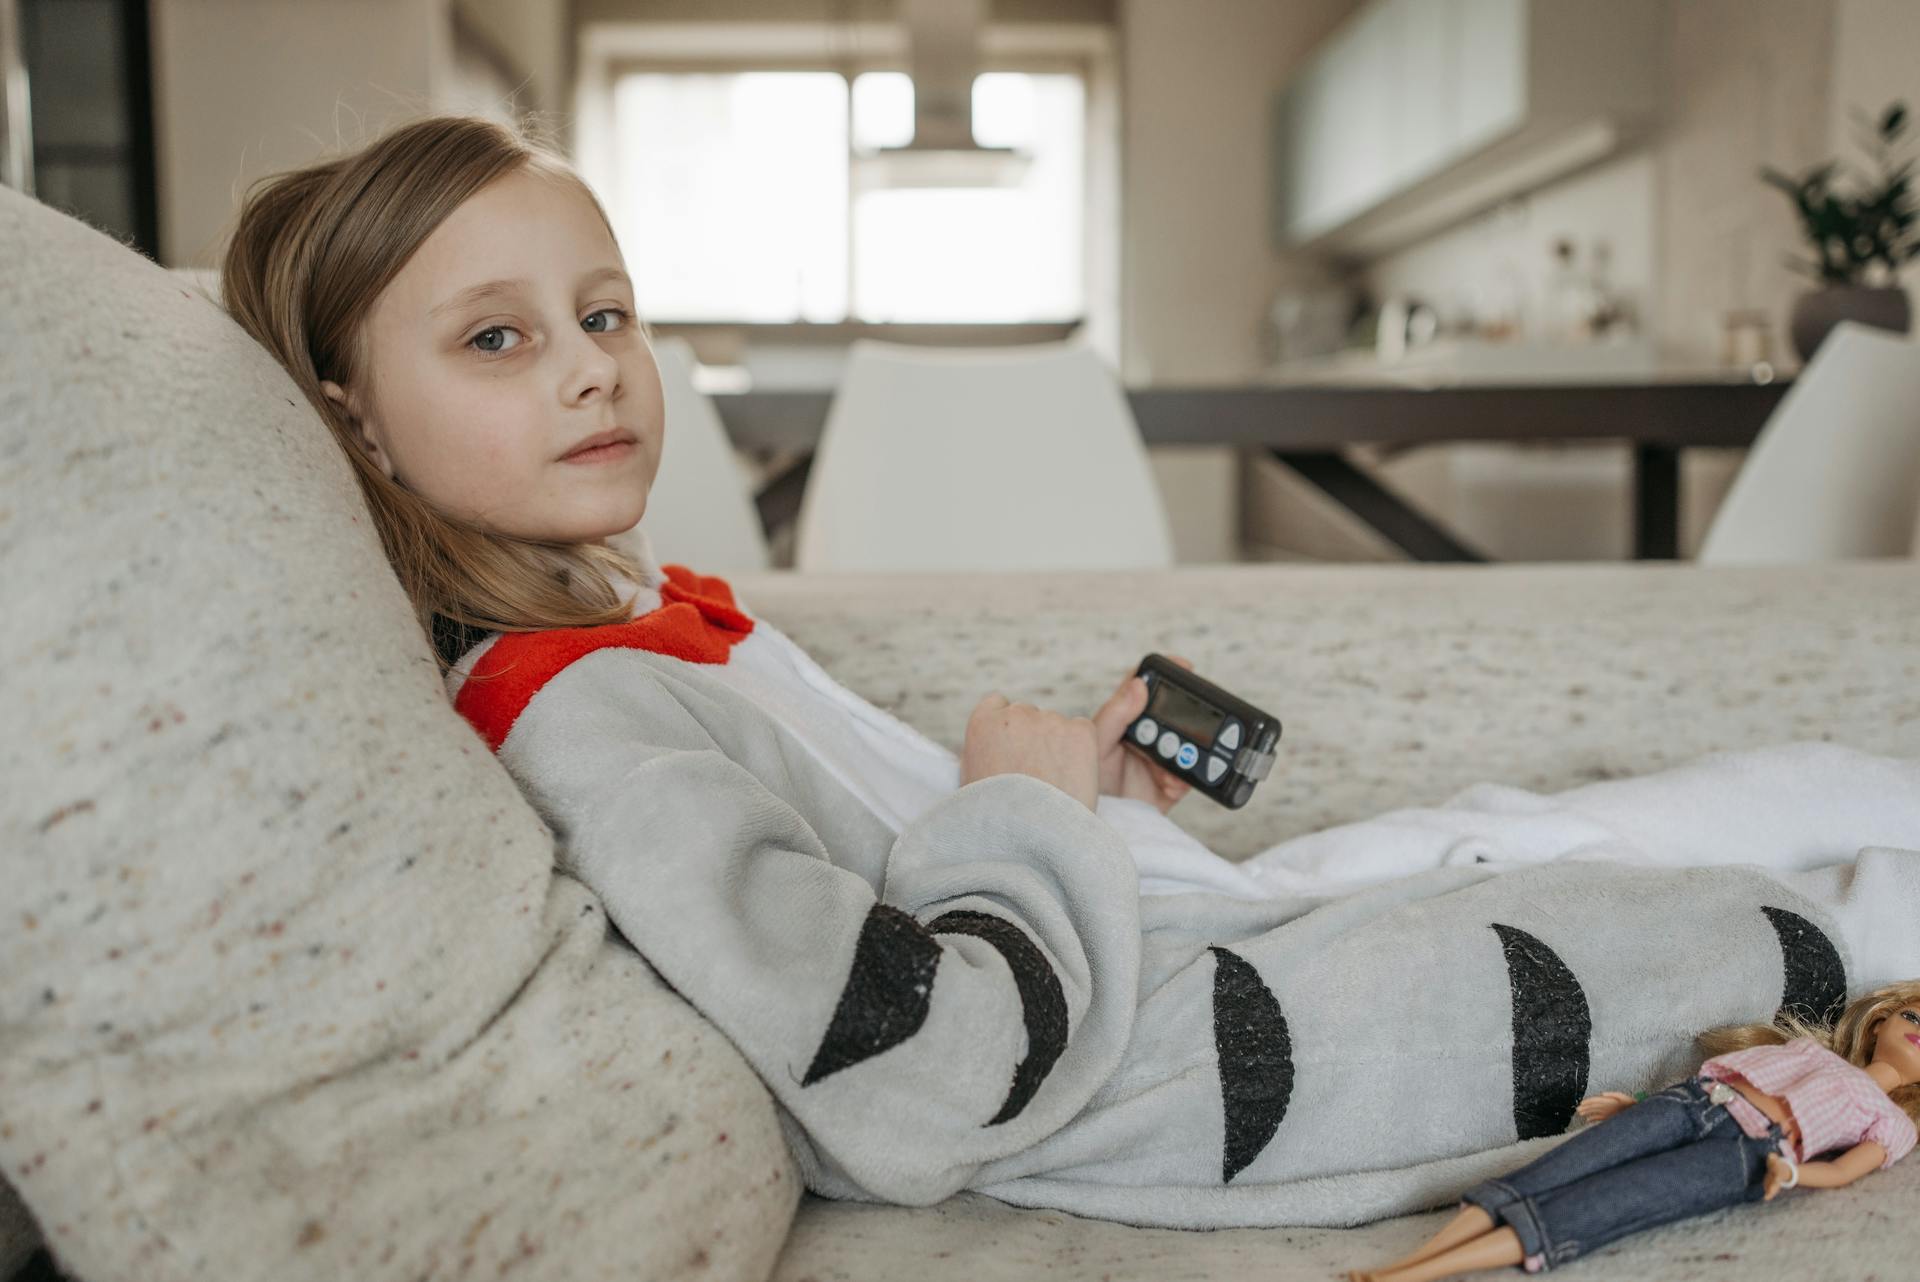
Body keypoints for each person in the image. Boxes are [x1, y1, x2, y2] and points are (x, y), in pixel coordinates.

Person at [215, 111, 1920, 1231]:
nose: (592, 370)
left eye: (607, 312)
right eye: (497, 337)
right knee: (1704, 879)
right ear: (353, 416)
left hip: (1134, 915)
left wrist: (1073, 795)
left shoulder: (634, 608)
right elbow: (910, 1064)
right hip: (1145, 1009)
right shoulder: (570, 712)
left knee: (1652, 809)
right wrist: (1027, 805)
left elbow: (888, 834)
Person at [1348, 983, 1920, 1280]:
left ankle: (1421, 1273)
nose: (1916, 1029)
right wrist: (1637, 1106)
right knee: (1558, 1168)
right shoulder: (1810, 1049)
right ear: (1886, 1016)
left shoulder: (1893, 1123)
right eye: (1914, 1015)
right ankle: (1403, 1265)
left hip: (1746, 1156)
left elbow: (1848, 1168)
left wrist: (1793, 1171)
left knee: (1604, 1204)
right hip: (1693, 1103)